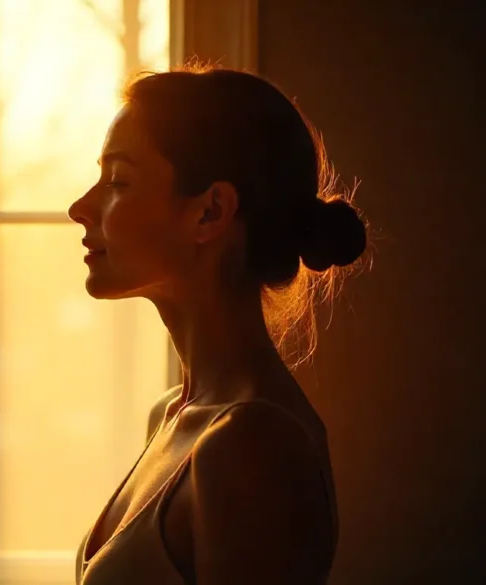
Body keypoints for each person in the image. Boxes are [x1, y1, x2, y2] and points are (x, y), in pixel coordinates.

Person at [67, 65, 367, 585]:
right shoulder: (173, 414)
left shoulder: (253, 445)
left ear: (210, 212)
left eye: (118, 180)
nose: (80, 208)